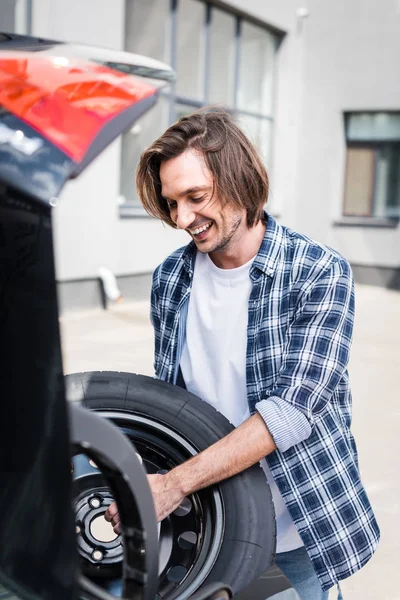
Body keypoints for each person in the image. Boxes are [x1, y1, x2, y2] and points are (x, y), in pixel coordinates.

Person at [105, 108, 380, 599]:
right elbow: (170, 405)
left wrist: (174, 483)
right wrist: (134, 481)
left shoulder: (318, 272)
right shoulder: (172, 280)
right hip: (211, 524)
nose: (182, 218)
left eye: (196, 197)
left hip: (299, 525)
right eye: (172, 203)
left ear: (239, 179)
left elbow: (293, 413)